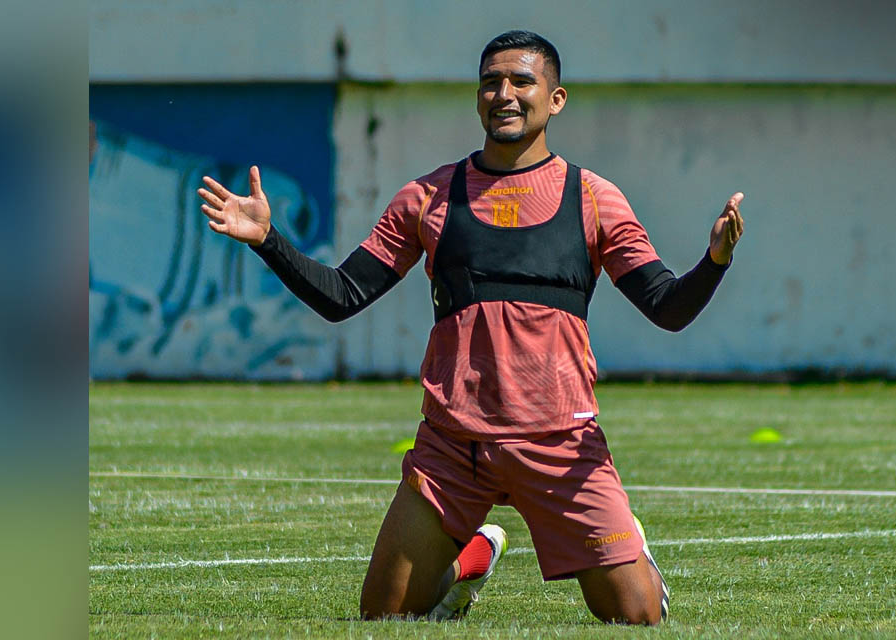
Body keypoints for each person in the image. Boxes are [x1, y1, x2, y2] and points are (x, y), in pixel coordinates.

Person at [197, 30, 744, 626]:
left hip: (562, 444)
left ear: (555, 100)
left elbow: (666, 307)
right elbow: (342, 296)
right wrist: (269, 242)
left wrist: (713, 262)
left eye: (521, 81)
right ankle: (465, 567)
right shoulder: (428, 196)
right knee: (384, 619)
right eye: (491, 82)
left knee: (636, 618)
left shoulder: (593, 198)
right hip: (454, 446)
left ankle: (632, 549)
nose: (503, 94)